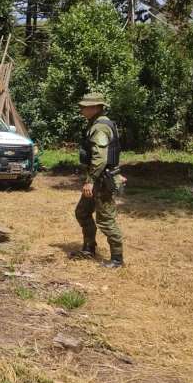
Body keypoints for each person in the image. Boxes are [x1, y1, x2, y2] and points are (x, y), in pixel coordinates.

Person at [71, 93, 124, 268]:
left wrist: (90, 180)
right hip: (100, 178)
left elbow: (100, 158)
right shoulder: (98, 124)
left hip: (101, 181)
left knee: (106, 220)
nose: (81, 110)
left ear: (95, 108)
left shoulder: (100, 127)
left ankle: (117, 259)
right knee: (82, 212)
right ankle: (89, 248)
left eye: (84, 107)